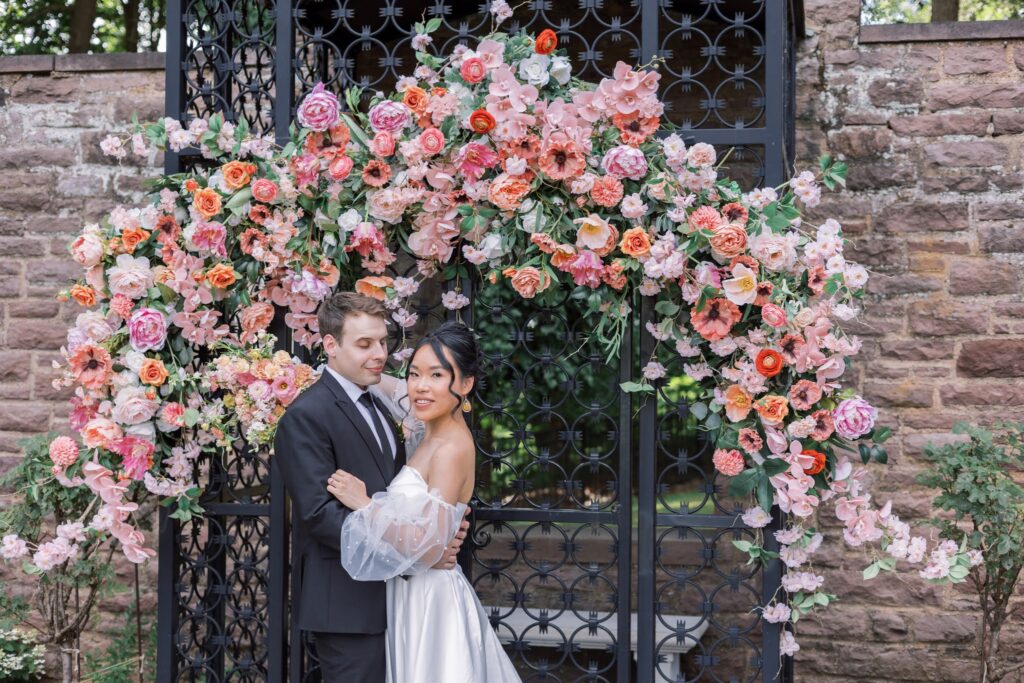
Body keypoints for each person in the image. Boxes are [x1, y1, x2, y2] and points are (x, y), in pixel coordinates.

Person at [273, 293, 470, 682]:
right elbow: (320, 517)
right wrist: (418, 553)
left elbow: (404, 491)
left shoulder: (378, 404)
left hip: (396, 600)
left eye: (382, 341)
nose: (378, 353)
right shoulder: (306, 416)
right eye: (364, 344)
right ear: (330, 345)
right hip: (346, 606)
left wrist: (441, 528)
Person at [326, 321, 521, 683]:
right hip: (409, 591)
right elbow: (374, 380)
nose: (420, 387)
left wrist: (365, 505)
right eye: (415, 374)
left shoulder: (450, 449)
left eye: (436, 375)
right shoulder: (425, 429)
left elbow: (431, 550)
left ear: (465, 384)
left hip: (431, 600)